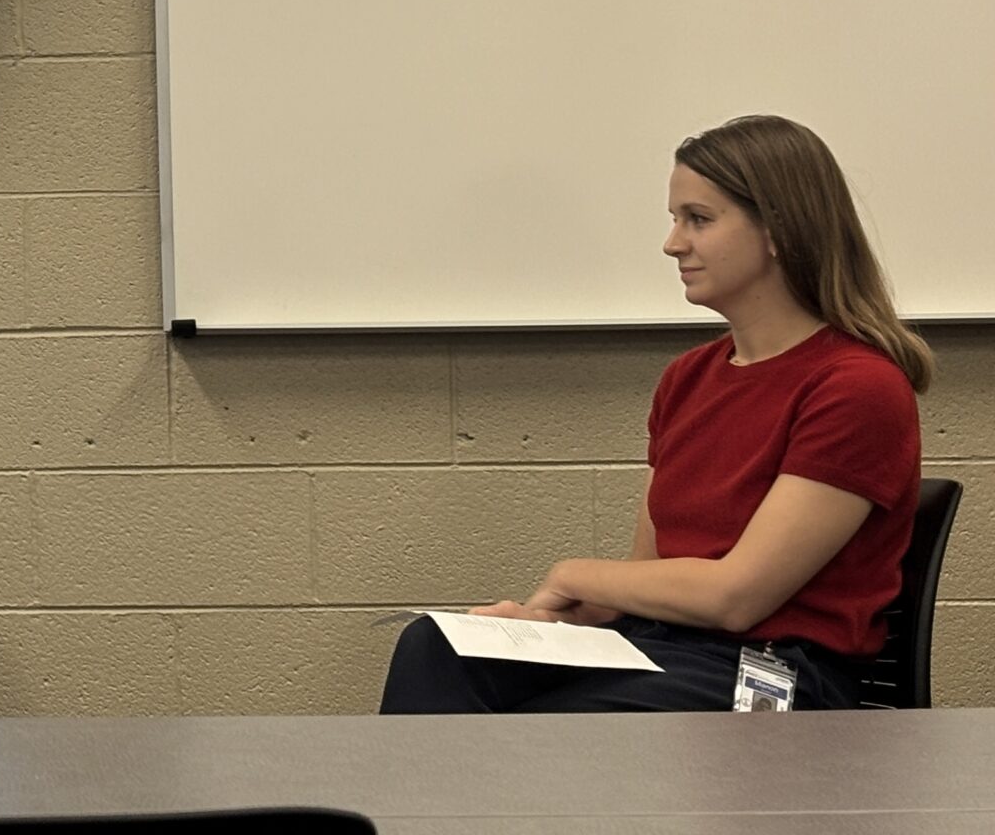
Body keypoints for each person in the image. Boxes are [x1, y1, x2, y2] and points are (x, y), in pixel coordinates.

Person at [380, 115, 930, 713]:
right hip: (663, 647)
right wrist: (569, 616)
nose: (673, 243)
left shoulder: (857, 387)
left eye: (698, 219)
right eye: (675, 220)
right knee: (435, 646)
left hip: (771, 675)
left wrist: (573, 577)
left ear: (778, 229)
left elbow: (734, 598)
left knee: (553, 733)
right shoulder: (688, 377)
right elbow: (652, 574)